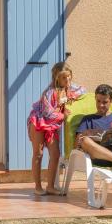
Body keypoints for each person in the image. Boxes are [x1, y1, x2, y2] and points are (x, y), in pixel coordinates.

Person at [27, 62, 85, 195]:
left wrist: (71, 96)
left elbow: (83, 90)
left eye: (69, 77)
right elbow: (48, 113)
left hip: (52, 126)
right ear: (57, 78)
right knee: (38, 154)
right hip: (39, 123)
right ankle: (37, 186)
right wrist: (62, 115)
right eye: (64, 78)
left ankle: (50, 186)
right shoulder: (49, 92)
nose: (68, 80)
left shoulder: (69, 88)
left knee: (55, 154)